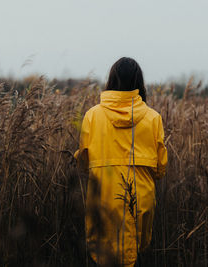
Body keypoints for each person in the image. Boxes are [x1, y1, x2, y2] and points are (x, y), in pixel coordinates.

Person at [74, 57, 167, 266]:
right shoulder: (153, 118)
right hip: (140, 202)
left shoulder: (92, 116)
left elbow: (82, 164)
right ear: (139, 82)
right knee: (136, 254)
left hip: (103, 199)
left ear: (111, 81)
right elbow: (161, 169)